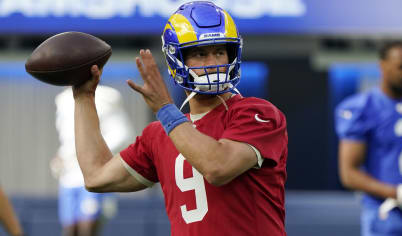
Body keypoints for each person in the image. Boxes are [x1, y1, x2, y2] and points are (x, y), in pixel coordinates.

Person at [72, 1, 288, 235]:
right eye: (200, 53)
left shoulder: (257, 113)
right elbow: (96, 176)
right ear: (177, 59)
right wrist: (84, 98)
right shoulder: (158, 134)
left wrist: (165, 109)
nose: (213, 63)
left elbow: (218, 167)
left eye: (219, 52)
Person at [335, 41, 402, 236]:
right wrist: (397, 193)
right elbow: (349, 174)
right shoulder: (361, 108)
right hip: (387, 216)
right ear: (382, 66)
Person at [52, 85, 134, 236]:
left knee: (88, 227)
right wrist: (61, 156)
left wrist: (90, 151)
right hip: (68, 177)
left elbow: (122, 134)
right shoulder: (62, 100)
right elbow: (67, 139)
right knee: (70, 229)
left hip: (94, 172)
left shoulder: (106, 96)